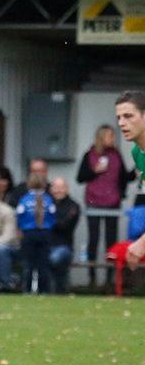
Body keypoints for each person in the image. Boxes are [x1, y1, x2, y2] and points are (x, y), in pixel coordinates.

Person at [76, 124, 135, 285]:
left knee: (111, 241)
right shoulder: (90, 154)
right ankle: (92, 278)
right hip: (93, 202)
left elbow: (124, 177)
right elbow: (80, 177)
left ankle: (110, 278)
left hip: (113, 202)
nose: (113, 139)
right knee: (93, 240)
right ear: (101, 137)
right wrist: (95, 170)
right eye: (110, 136)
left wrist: (136, 172)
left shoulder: (116, 155)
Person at [115, 90, 145, 270]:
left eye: (128, 116)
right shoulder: (137, 152)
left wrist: (142, 242)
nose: (121, 123)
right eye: (119, 117)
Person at [16, 173, 56, 293]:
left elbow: (19, 216)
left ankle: (27, 289)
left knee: (28, 263)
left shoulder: (24, 200)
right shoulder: (48, 200)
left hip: (29, 234)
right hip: (45, 233)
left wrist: (21, 229)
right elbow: (53, 217)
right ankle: (44, 290)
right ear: (44, 185)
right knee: (43, 263)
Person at [48, 177, 81, 294]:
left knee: (54, 258)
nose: (58, 190)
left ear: (67, 189)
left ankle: (60, 290)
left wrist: (49, 217)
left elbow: (64, 226)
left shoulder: (73, 206)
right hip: (45, 245)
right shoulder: (46, 203)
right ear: (51, 189)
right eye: (55, 187)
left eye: (61, 188)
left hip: (64, 246)